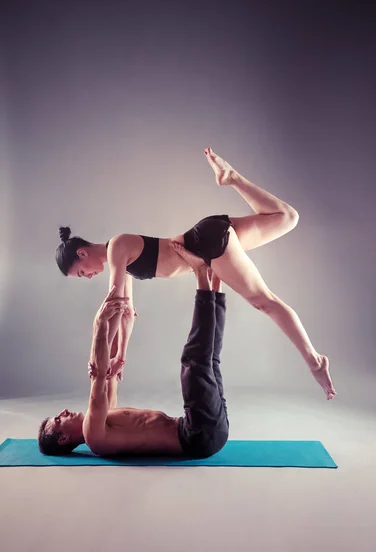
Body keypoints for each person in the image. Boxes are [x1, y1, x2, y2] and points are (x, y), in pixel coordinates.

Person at [55, 148, 336, 399]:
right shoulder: (121, 258)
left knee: (264, 301)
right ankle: (232, 178)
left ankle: (313, 360)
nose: (88, 277)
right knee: (287, 217)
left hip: (205, 245)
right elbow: (126, 312)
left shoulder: (116, 245)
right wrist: (120, 355)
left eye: (81, 273)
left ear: (82, 254)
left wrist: (103, 353)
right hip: (208, 233)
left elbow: (115, 305)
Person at [38, 261, 230, 458]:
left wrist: (124, 278)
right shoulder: (94, 436)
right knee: (194, 361)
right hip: (197, 436)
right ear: (63, 439)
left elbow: (107, 366)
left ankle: (215, 277)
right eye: (59, 420)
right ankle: (201, 275)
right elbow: (98, 375)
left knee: (210, 360)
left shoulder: (104, 418)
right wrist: (99, 323)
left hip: (207, 429)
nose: (63, 411)